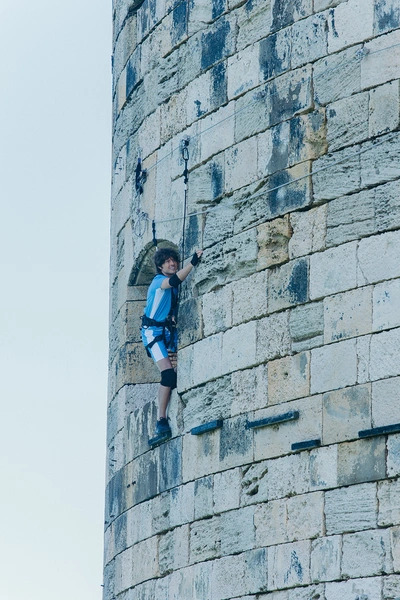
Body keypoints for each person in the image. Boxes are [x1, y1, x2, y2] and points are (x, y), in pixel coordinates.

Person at [141, 247, 203, 438]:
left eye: (173, 260)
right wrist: (192, 262)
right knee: (167, 375)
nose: (172, 263)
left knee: (174, 376)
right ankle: (161, 420)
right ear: (160, 266)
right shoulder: (159, 282)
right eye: (167, 261)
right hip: (152, 333)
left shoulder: (169, 285)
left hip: (166, 331)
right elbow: (176, 279)